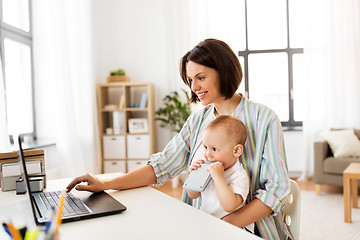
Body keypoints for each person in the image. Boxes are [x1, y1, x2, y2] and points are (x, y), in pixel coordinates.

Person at [67, 38, 292, 239]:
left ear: (223, 71)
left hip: (249, 231)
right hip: (202, 227)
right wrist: (105, 184)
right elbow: (161, 166)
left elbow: (276, 191)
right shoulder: (197, 122)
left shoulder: (264, 119)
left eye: (201, 77)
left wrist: (222, 228)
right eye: (190, 79)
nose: (194, 87)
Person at [186, 115, 254, 233]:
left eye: (214, 149)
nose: (208, 154)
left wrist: (219, 178)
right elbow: (193, 195)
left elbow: (229, 206)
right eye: (206, 147)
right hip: (207, 223)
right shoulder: (208, 167)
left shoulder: (239, 175)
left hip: (232, 229)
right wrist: (193, 176)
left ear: (236, 151)